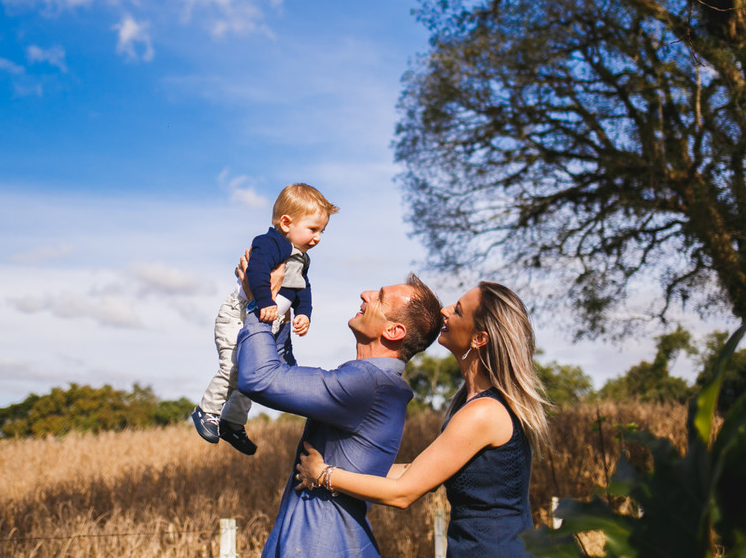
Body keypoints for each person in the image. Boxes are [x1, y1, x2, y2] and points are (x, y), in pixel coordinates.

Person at [295, 281, 551, 558]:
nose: (445, 310)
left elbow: (402, 493)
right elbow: (415, 471)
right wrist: (337, 466)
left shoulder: (483, 413)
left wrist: (324, 474)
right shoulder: (473, 404)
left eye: (459, 311)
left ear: (479, 339)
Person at [236, 271, 444, 557]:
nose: (365, 294)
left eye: (380, 298)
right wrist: (280, 314)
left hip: (319, 545)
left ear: (393, 332)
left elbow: (260, 378)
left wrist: (256, 303)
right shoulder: (373, 383)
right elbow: (287, 380)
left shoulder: (368, 385)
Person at [191, 183, 339, 455]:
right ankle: (206, 411)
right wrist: (266, 301)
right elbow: (257, 273)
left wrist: (305, 312)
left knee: (252, 375)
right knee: (234, 369)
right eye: (313, 229)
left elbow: (302, 288)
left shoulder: (301, 258)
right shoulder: (270, 243)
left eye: (322, 231)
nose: (318, 237)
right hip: (238, 315)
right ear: (286, 223)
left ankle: (232, 423)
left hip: (268, 321)